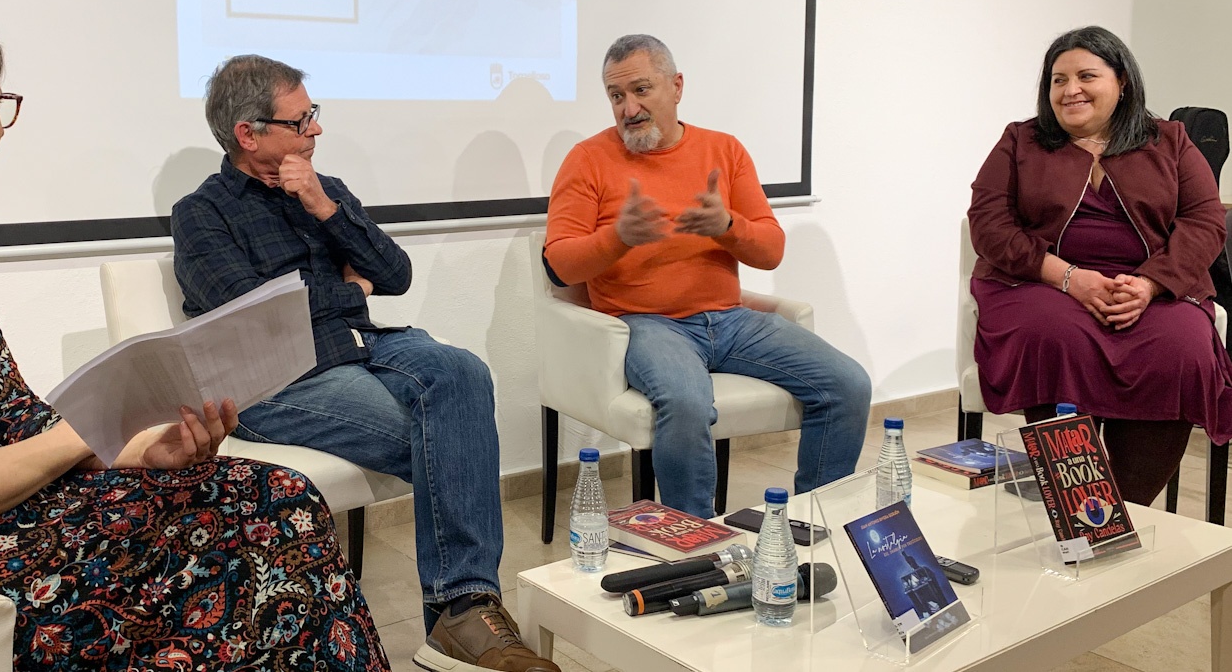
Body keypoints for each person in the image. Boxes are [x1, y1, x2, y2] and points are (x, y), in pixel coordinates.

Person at [0, 0, 387, 671]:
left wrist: (141, 449)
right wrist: (87, 435)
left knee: (279, 494)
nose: (2, 121)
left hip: (5, 507)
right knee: (237, 546)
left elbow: (16, 415)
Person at [172, 55, 560, 672]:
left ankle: (461, 613)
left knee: (463, 371)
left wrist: (324, 208)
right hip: (278, 380)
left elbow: (396, 274)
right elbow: (256, 316)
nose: (316, 129)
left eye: (313, 115)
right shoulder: (201, 214)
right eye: (300, 120)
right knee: (445, 437)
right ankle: (464, 615)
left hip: (365, 344)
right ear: (248, 134)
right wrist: (351, 291)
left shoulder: (323, 189)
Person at [543, 34, 872, 518]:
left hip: (731, 321)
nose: (629, 108)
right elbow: (559, 265)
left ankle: (813, 521)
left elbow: (772, 251)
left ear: (676, 86)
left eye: (641, 90)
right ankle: (694, 539)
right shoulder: (588, 159)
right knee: (686, 401)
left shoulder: (725, 150)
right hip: (646, 323)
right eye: (616, 96)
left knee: (849, 384)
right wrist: (619, 238)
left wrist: (727, 227)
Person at [969, 25, 1232, 505]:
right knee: (1052, 334)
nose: (1070, 90)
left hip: (1153, 285)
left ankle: (1126, 513)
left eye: (1086, 76)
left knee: (1181, 347)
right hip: (1041, 282)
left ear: (1122, 81)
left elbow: (1205, 221)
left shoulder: (1170, 140)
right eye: (1058, 80)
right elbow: (989, 224)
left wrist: (1150, 284)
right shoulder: (1021, 141)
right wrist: (1068, 278)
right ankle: (1076, 508)